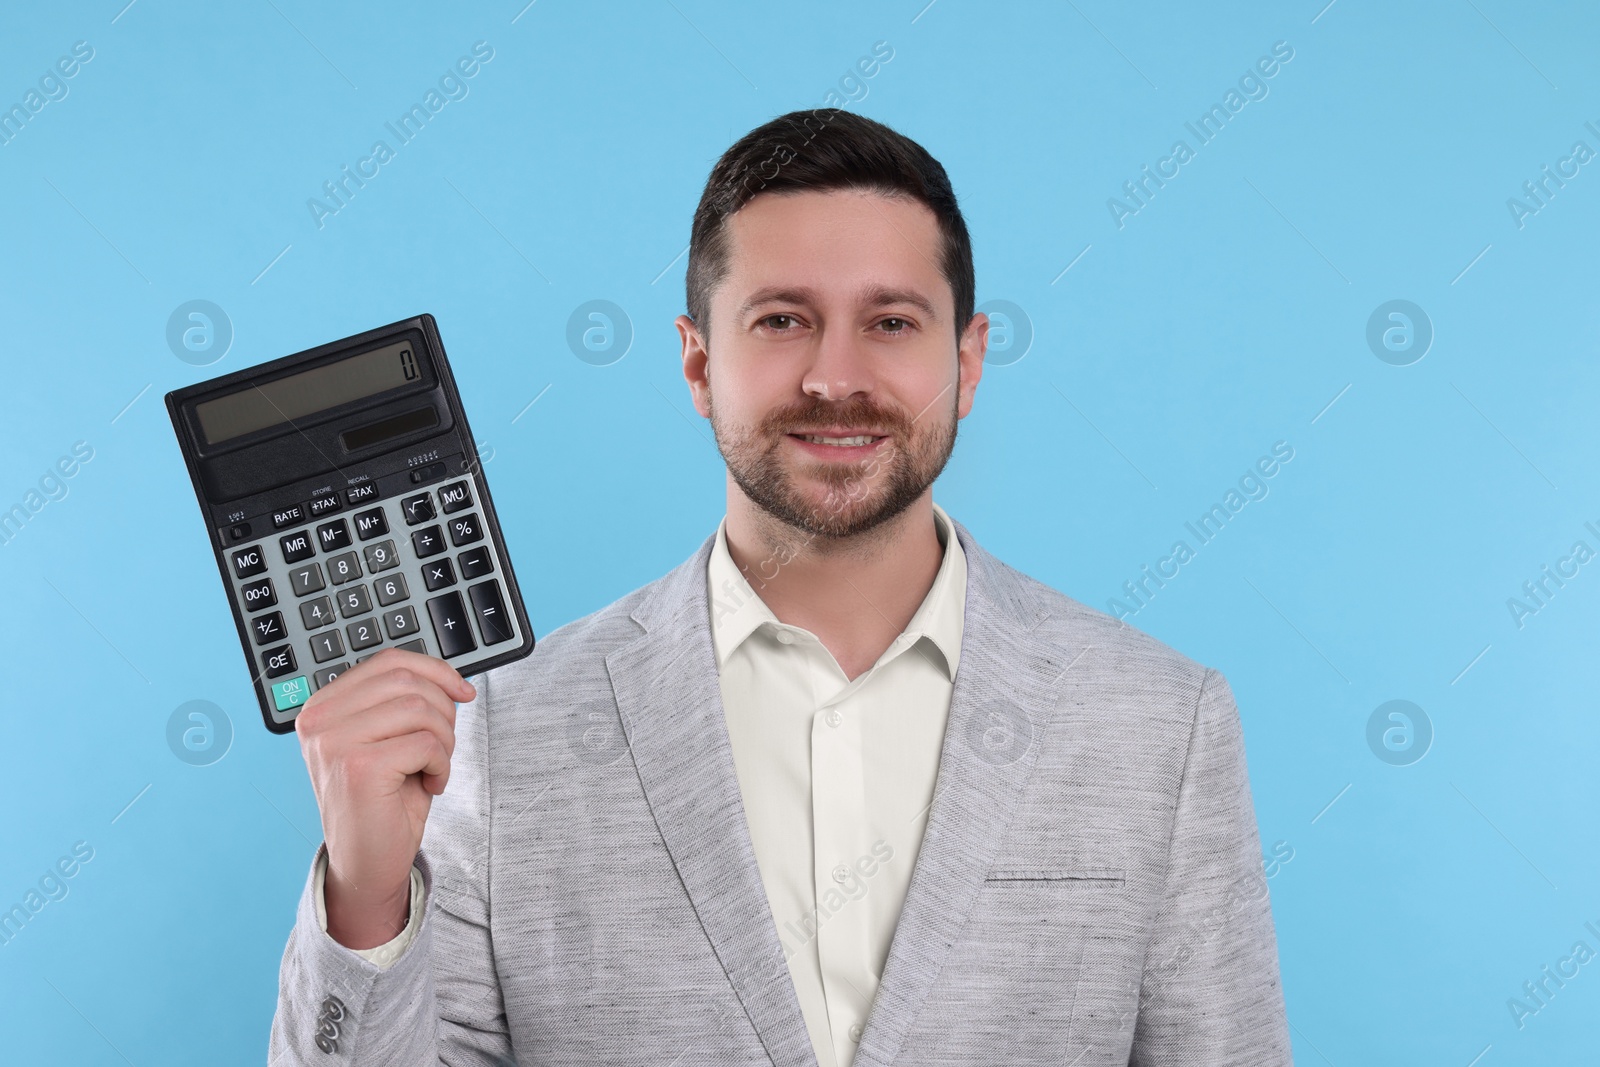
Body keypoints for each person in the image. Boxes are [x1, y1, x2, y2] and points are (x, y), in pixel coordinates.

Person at [269, 108, 1291, 1066]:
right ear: (697, 364)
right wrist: (364, 899)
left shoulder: (1162, 725)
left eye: (890, 322)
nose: (833, 377)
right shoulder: (497, 726)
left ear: (968, 362)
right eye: (781, 320)